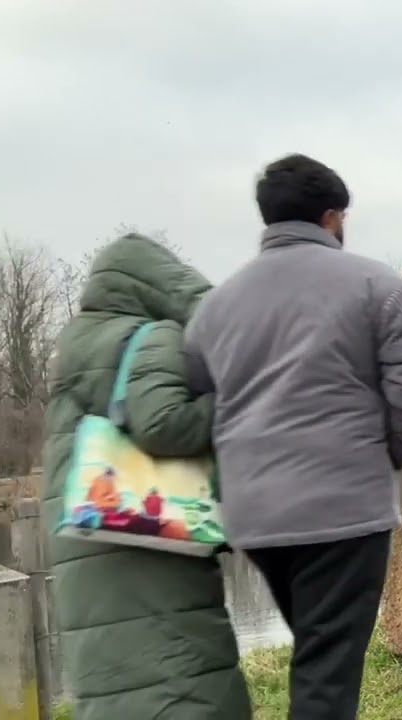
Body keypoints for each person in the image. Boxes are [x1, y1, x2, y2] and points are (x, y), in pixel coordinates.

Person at [183, 153, 402, 719]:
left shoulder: (215, 307)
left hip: (255, 517)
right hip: (342, 510)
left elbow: (197, 399)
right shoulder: (377, 287)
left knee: (315, 653)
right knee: (327, 676)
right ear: (333, 216)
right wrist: (383, 457)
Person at [42, 233, 252, 720]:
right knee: (185, 691)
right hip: (152, 567)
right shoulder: (150, 335)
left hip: (92, 564)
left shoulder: (73, 348)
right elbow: (162, 423)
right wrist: (233, 406)